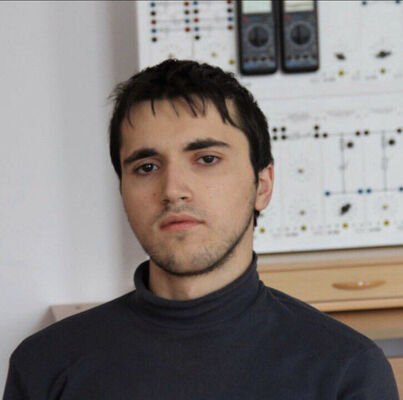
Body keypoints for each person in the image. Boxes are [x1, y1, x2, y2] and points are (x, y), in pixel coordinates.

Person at [3, 59, 399, 399]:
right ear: (122, 190)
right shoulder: (45, 366)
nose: (173, 190)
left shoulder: (346, 371)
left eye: (207, 159)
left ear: (262, 185)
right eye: (146, 167)